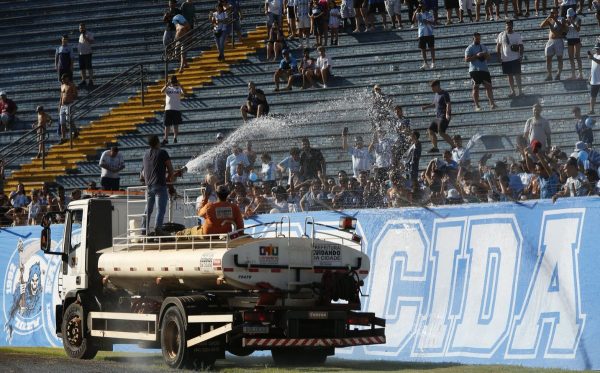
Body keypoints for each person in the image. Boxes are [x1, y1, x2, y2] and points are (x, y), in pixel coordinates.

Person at [141, 135, 175, 234]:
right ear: (157, 142)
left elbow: (142, 175)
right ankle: (158, 228)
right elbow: (170, 169)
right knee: (160, 209)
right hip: (160, 185)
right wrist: (170, 178)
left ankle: (143, 230)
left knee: (148, 210)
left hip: (149, 186)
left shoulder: (145, 155)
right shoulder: (163, 152)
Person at [465, 32, 496, 112]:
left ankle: (492, 104)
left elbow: (489, 57)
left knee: (489, 86)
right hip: (474, 70)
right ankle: (477, 105)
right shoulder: (469, 48)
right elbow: (466, 59)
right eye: (477, 38)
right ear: (473, 39)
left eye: (479, 38)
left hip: (484, 69)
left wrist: (485, 55)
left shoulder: (483, 46)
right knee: (476, 87)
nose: (478, 40)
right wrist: (476, 56)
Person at [421, 79, 454, 153]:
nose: (432, 89)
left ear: (437, 86)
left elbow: (448, 104)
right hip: (438, 117)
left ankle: (453, 146)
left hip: (443, 116)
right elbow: (435, 104)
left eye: (433, 87)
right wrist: (426, 107)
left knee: (441, 132)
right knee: (430, 130)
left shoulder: (445, 93)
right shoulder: (436, 94)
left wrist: (447, 114)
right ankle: (435, 147)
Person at [496, 20, 524, 98]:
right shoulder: (501, 34)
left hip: (515, 58)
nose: (509, 27)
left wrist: (521, 56)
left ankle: (520, 91)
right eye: (507, 25)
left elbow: (521, 46)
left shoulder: (516, 35)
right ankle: (513, 91)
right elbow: (498, 46)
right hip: (505, 59)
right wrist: (498, 56)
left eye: (510, 25)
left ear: (512, 26)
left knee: (517, 75)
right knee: (509, 76)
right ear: (505, 26)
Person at [541, 8, 566, 81]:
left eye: (554, 12)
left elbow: (562, 27)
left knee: (559, 58)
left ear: (557, 12)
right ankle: (549, 75)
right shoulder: (549, 19)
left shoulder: (562, 19)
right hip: (550, 40)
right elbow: (541, 25)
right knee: (548, 58)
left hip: (558, 40)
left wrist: (555, 19)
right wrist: (547, 18)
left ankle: (558, 74)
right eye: (552, 12)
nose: (553, 14)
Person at [161, 75, 185, 145]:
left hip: (176, 109)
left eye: (174, 82)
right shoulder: (168, 88)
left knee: (175, 124)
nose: (173, 83)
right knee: (167, 124)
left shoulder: (178, 88)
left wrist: (180, 85)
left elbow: (184, 93)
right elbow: (161, 91)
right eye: (172, 82)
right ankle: (166, 139)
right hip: (168, 109)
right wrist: (166, 85)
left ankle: (175, 137)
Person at [413, 4, 435, 70]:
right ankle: (425, 63)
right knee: (423, 49)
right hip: (421, 33)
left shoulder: (429, 13)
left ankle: (433, 62)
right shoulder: (418, 14)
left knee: (431, 48)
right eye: (420, 6)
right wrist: (415, 12)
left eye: (422, 6)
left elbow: (432, 21)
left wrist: (427, 21)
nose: (422, 7)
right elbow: (413, 20)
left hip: (429, 33)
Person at [58, 74, 78, 143]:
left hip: (70, 104)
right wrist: (59, 105)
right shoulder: (62, 86)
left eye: (64, 79)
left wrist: (70, 96)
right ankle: (63, 138)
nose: (63, 80)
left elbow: (76, 94)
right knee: (62, 122)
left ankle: (75, 131)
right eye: (62, 79)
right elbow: (61, 96)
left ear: (67, 78)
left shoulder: (72, 85)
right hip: (63, 106)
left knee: (68, 119)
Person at [565, 8, 582, 80]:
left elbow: (578, 29)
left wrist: (572, 22)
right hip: (569, 39)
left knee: (577, 56)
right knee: (571, 58)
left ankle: (581, 74)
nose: (570, 17)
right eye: (569, 16)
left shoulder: (578, 19)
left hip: (576, 39)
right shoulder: (566, 20)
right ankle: (573, 75)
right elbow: (565, 31)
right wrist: (566, 23)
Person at [77, 23, 95, 88]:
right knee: (82, 68)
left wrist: (86, 38)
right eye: (80, 28)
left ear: (85, 28)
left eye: (82, 28)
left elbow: (92, 41)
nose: (81, 29)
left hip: (87, 53)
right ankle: (83, 80)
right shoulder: (80, 35)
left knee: (89, 67)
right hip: (81, 54)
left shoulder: (89, 33)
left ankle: (90, 80)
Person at [588, 42, 600, 114]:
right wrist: (590, 76)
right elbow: (593, 68)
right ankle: (591, 110)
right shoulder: (595, 55)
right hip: (594, 80)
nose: (597, 50)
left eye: (598, 49)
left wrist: (592, 58)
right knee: (592, 96)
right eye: (596, 49)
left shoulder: (594, 57)